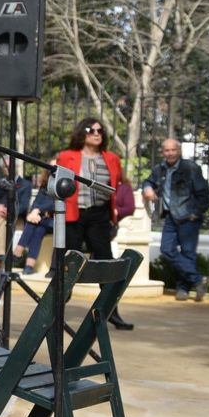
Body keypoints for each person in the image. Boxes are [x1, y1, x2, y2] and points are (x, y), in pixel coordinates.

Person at [54, 116, 132, 329]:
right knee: (69, 265)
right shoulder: (67, 156)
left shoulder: (112, 158)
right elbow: (57, 184)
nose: (97, 133)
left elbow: (118, 185)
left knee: (106, 264)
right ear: (82, 133)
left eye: (100, 130)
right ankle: (54, 312)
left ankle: (112, 312)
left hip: (99, 216)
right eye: (91, 130)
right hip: (74, 216)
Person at [143, 138, 209, 301]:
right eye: (167, 150)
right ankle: (198, 280)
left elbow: (205, 195)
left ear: (179, 151)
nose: (170, 153)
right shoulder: (159, 169)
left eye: (173, 150)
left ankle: (183, 289)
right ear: (163, 152)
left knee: (188, 254)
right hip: (170, 217)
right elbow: (148, 181)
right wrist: (147, 188)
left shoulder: (191, 168)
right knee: (166, 250)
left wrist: (195, 213)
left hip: (189, 217)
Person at [0, 157, 31, 271]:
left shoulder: (25, 184)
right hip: (0, 218)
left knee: (0, 219)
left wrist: (7, 211)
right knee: (2, 222)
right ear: (3, 169)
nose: (9, 169)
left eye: (11, 167)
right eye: (6, 167)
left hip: (16, 218)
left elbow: (23, 206)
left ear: (17, 167)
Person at [10, 168, 56, 274]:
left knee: (33, 223)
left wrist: (37, 210)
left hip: (54, 222)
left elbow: (54, 204)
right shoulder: (44, 186)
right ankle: (29, 266)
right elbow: (36, 201)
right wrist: (34, 212)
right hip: (42, 220)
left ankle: (17, 253)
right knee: (38, 230)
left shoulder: (61, 187)